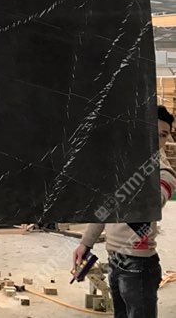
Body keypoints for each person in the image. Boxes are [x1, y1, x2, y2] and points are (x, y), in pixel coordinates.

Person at [73, 105, 176, 318]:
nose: (156, 139)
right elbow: (106, 208)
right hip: (114, 258)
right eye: (151, 131)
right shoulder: (123, 163)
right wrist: (86, 243)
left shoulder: (164, 172)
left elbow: (150, 204)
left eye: (163, 135)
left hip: (139, 264)